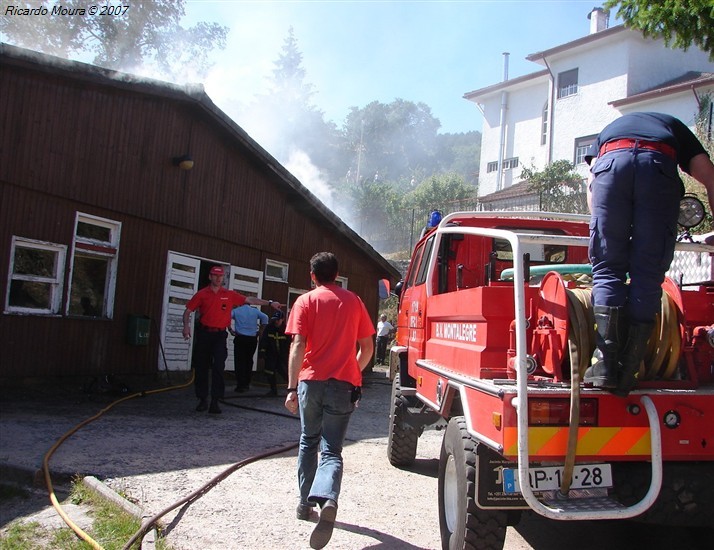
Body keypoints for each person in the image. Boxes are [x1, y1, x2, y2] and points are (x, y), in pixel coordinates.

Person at [583, 112, 714, 396]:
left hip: (609, 169)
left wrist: (603, 227)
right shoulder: (674, 126)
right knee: (647, 271)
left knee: (607, 269)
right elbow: (710, 178)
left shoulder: (607, 131)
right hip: (657, 167)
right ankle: (630, 366)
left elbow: (592, 182)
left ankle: (604, 366)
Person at [284, 252, 374, 550]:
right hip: (342, 385)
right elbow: (367, 348)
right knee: (332, 450)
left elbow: (298, 345)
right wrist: (351, 372)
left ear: (312, 275)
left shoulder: (305, 301)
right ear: (338, 274)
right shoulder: (354, 301)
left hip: (310, 381)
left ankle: (303, 504)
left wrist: (291, 387)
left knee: (309, 440)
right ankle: (327, 500)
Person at [182, 266, 281, 414]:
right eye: (215, 276)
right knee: (202, 367)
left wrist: (269, 302)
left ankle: (215, 401)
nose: (218, 278)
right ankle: (202, 399)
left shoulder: (228, 294)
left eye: (220, 276)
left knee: (218, 367)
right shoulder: (202, 294)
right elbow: (188, 310)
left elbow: (249, 299)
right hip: (205, 333)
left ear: (223, 278)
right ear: (210, 277)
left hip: (220, 336)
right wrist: (186, 327)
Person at [230, 303, 269, 393]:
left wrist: (230, 329)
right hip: (252, 338)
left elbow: (227, 317)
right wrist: (261, 331)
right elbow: (265, 317)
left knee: (239, 361)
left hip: (240, 338)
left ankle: (240, 385)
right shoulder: (254, 311)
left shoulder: (236, 311)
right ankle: (247, 383)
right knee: (249, 360)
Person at [258, 310, 291, 396]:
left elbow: (290, 343)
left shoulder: (286, 329)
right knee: (269, 372)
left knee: (285, 373)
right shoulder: (269, 328)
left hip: (282, 355)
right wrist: (262, 351)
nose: (276, 321)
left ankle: (294, 390)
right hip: (271, 355)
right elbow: (264, 340)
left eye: (278, 320)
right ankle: (273, 390)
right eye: (275, 319)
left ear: (282, 319)